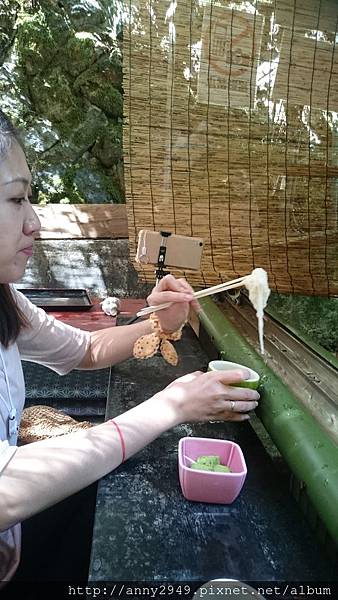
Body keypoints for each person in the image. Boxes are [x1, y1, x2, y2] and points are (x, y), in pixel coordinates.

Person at [0, 109, 259, 582]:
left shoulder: (5, 299)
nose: (35, 222)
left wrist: (155, 322)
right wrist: (170, 405)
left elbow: (86, 350)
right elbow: (5, 490)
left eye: (30, 199)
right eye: (16, 199)